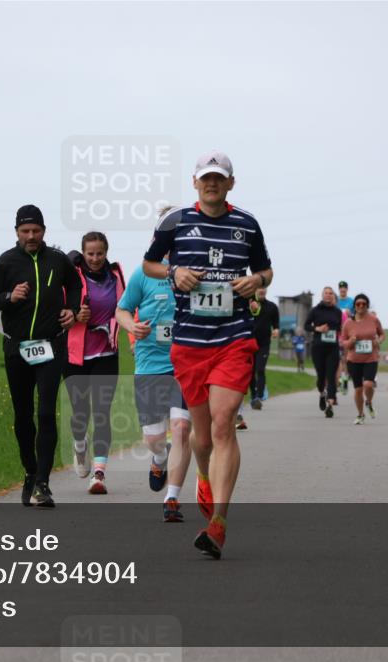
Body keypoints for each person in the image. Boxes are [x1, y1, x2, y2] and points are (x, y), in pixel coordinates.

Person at [143, 150, 273, 559]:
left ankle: (218, 523)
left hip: (233, 338)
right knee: (200, 437)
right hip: (189, 343)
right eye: (206, 178)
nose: (212, 183)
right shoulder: (176, 222)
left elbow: (266, 269)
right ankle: (202, 474)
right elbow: (148, 264)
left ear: (231, 183)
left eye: (220, 178)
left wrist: (256, 280)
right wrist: (173, 272)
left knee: (222, 426)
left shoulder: (246, 224)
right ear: (194, 182)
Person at [0, 205, 80, 508]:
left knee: (46, 412)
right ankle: (30, 470)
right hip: (17, 348)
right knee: (23, 417)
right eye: (25, 231)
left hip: (51, 347)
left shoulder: (58, 260)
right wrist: (9, 297)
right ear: (17, 233)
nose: (31, 236)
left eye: (36, 231)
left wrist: (71, 310)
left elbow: (75, 285)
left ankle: (44, 484)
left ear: (44, 232)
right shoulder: (7, 262)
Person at [116, 241, 193, 522]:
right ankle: (160, 459)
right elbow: (121, 310)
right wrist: (132, 326)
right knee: (155, 439)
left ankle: (171, 498)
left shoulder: (196, 275)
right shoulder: (143, 274)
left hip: (185, 367)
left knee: (182, 428)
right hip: (150, 366)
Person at [64, 232, 126, 494]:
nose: (95, 258)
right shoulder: (72, 277)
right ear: (83, 253)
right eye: (90, 253)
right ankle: (80, 445)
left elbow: (126, 307)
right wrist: (76, 314)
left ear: (106, 252)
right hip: (75, 355)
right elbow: (58, 307)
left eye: (99, 253)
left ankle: (98, 474)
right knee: (80, 414)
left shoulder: (116, 277)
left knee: (101, 413)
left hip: (106, 355)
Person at [341, 294, 385, 425]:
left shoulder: (374, 320)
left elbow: (382, 334)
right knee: (358, 389)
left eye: (364, 304)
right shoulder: (348, 322)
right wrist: (351, 341)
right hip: (353, 360)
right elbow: (343, 341)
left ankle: (369, 402)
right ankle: (360, 415)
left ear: (367, 305)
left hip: (370, 358)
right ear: (354, 306)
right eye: (358, 304)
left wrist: (378, 341)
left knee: (368, 384)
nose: (361, 306)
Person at [304, 286, 343, 418]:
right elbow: (306, 325)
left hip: (332, 347)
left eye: (330, 293)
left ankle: (330, 404)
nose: (328, 295)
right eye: (326, 293)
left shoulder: (337, 312)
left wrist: (335, 330)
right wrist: (318, 328)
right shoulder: (315, 311)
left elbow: (340, 327)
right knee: (321, 376)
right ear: (322, 295)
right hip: (318, 348)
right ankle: (322, 394)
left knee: (331, 375)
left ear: (333, 296)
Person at [247, 287, 279, 410]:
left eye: (263, 288)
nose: (261, 290)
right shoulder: (249, 304)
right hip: (250, 342)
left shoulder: (272, 307)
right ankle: (254, 396)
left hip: (264, 343)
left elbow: (276, 324)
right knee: (250, 371)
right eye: (259, 288)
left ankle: (259, 397)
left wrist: (276, 330)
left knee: (260, 369)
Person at [336, 281, 353, 395]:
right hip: (337, 332)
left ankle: (345, 380)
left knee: (346, 359)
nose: (342, 290)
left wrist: (349, 313)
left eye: (344, 289)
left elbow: (355, 315)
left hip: (347, 332)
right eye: (341, 289)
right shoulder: (335, 300)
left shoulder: (351, 301)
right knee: (338, 360)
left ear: (347, 290)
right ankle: (339, 380)